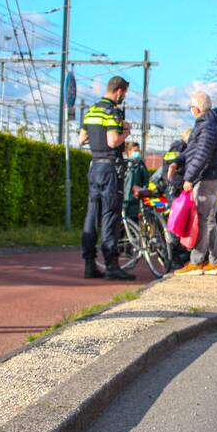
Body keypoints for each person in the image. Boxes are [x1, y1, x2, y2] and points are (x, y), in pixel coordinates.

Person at [78, 76, 135, 281]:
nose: (124, 97)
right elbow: (113, 141)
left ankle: (89, 264)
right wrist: (126, 132)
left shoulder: (92, 111)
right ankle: (112, 265)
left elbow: (82, 139)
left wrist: (97, 139)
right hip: (110, 168)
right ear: (119, 91)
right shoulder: (112, 111)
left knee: (92, 215)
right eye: (124, 93)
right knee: (110, 215)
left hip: (94, 166)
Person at [174, 91, 217, 276]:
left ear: (196, 109)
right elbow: (193, 150)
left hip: (208, 177)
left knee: (203, 220)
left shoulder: (207, 127)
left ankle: (196, 262)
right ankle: (215, 261)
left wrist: (189, 178)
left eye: (191, 106)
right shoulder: (211, 125)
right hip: (216, 176)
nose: (191, 110)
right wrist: (178, 161)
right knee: (209, 220)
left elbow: (202, 154)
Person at [122, 141, 149, 221]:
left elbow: (145, 180)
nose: (137, 153)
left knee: (134, 220)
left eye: (138, 151)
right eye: (135, 151)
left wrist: (143, 190)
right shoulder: (124, 164)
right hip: (124, 199)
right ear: (129, 151)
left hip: (135, 199)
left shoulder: (141, 165)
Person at [162, 128, 191, 202]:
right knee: (177, 205)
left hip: (176, 181)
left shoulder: (183, 146)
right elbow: (172, 164)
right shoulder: (179, 146)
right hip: (175, 182)